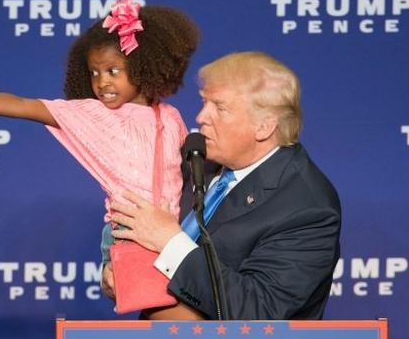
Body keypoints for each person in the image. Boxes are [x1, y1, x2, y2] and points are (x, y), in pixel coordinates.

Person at [0, 0, 202, 319]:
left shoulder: (169, 116)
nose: (102, 82)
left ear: (142, 66)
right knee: (174, 325)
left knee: (181, 324)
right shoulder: (94, 114)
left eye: (113, 71)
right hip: (130, 234)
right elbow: (19, 104)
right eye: (94, 73)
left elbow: (186, 177)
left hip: (171, 233)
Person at [104, 51, 342, 320]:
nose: (201, 117)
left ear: (264, 127)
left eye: (219, 107)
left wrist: (169, 241)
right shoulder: (194, 160)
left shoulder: (306, 206)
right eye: (204, 102)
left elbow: (258, 310)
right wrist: (119, 273)